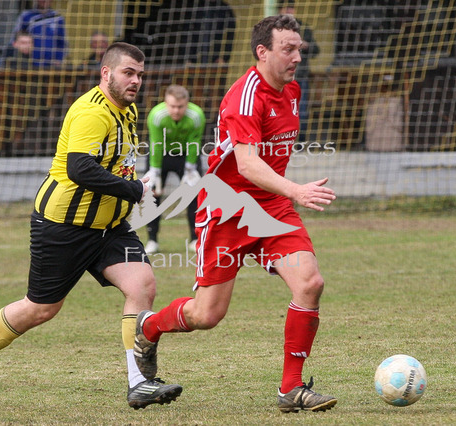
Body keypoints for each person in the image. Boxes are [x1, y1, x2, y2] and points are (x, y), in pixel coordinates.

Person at [0, 42, 182, 410]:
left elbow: (115, 162)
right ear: (106, 73)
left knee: (143, 285)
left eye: (140, 74)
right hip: (64, 226)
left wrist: (133, 186)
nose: (136, 81)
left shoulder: (128, 110)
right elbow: (80, 168)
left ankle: (139, 382)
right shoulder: (91, 112)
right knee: (41, 308)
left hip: (110, 226)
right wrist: (133, 190)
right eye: (128, 73)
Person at [133, 15, 338, 413]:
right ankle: (149, 326)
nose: (297, 57)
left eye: (299, 49)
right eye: (288, 49)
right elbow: (246, 163)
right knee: (207, 314)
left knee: (310, 283)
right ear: (263, 52)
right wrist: (296, 189)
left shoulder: (293, 90)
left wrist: (285, 194)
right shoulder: (245, 95)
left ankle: (291, 388)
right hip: (229, 210)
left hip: (273, 207)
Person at [143, 84, 206, 254]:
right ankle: (152, 240)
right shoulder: (156, 115)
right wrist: (154, 171)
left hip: (185, 155)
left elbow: (194, 142)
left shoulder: (196, 116)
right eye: (172, 106)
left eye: (180, 106)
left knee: (194, 194)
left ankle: (195, 239)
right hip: (161, 155)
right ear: (165, 103)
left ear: (187, 104)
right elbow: (156, 143)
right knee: (152, 195)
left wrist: (190, 168)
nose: (176, 110)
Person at [278, 0, 320, 144]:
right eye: (286, 8)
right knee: (280, 110)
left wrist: (306, 46)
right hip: (280, 78)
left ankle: (300, 142)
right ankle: (281, 141)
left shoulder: (303, 28)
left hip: (300, 76)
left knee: (301, 110)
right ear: (280, 10)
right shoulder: (273, 29)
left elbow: (316, 50)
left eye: (291, 8)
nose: (289, 11)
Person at [10, 0, 67, 67]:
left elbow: (62, 42)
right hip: (30, 62)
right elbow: (15, 38)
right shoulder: (26, 16)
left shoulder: (58, 18)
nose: (44, 1)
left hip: (52, 64)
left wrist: (59, 58)